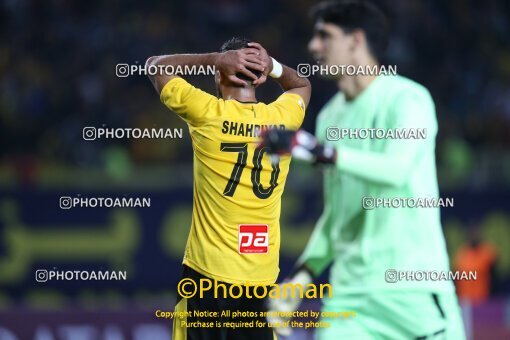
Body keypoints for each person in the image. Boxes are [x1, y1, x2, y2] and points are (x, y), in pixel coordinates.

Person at [262, 1, 466, 339]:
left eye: (324, 36)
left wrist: (318, 151)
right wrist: (300, 279)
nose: (313, 47)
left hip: (413, 293)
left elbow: (396, 171)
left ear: (355, 40)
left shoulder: (407, 99)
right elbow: (337, 216)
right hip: (350, 298)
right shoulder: (330, 117)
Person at [147, 37, 311, 340]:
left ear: (219, 74)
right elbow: (301, 85)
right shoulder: (282, 118)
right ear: (258, 79)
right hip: (260, 278)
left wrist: (212, 58)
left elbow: (156, 66)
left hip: (207, 276)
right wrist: (272, 65)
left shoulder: (208, 113)